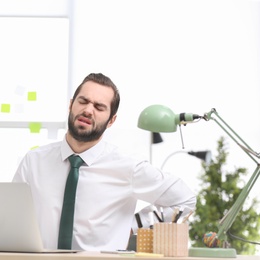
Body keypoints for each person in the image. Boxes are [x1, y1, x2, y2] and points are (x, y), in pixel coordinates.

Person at [12, 73, 196, 251]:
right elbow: (12, 218)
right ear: (71, 105)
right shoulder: (34, 161)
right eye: (83, 101)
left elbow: (186, 200)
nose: (88, 110)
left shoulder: (128, 166)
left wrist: (133, 225)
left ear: (111, 120)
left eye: (99, 107)